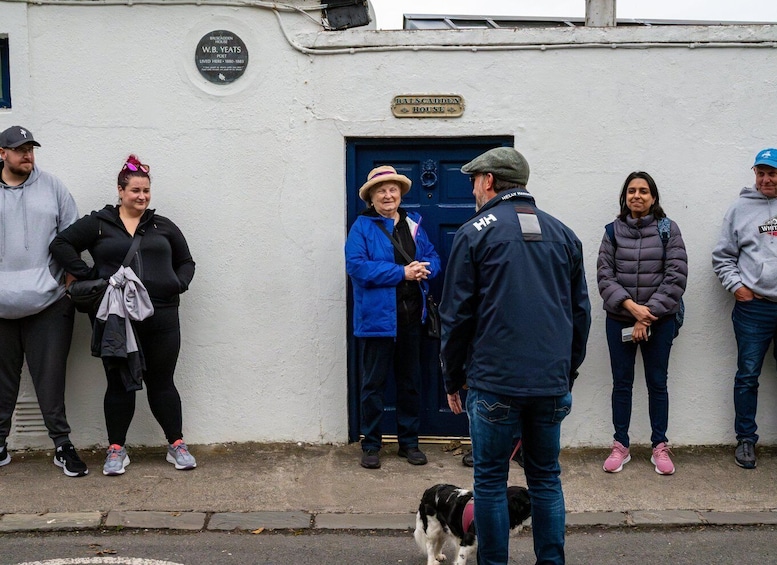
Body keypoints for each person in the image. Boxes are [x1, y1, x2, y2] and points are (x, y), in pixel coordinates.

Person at [440, 147, 591, 565]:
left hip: (494, 382)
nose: (472, 188)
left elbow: (455, 316)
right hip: (550, 382)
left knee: (489, 483)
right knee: (546, 479)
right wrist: (568, 371)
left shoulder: (474, 232)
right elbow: (581, 315)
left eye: (474, 180)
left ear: (489, 181)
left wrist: (452, 378)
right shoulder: (564, 233)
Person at [50, 154, 196, 476]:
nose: (141, 196)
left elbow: (187, 262)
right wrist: (87, 274)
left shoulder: (163, 226)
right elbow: (62, 244)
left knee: (162, 382)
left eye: (146, 191)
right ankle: (116, 449)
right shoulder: (100, 224)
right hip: (116, 318)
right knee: (119, 384)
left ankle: (176, 444)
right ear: (120, 191)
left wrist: (177, 284)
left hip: (162, 317)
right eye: (135, 191)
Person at [0, 125, 88, 477]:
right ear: (2, 153)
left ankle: (62, 445)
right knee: (2, 379)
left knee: (50, 378)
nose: (28, 155)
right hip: (1, 305)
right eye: (20, 149)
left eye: (31, 149)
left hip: (49, 303)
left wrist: (68, 283)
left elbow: (73, 236)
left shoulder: (53, 187)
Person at [345, 165, 441, 470]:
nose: (388, 195)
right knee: (373, 384)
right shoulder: (362, 227)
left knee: (410, 382)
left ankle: (409, 443)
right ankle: (371, 444)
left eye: (392, 190)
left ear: (400, 194)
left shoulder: (413, 224)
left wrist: (425, 269)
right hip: (377, 321)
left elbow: (434, 258)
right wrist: (402, 272)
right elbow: (357, 267)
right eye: (381, 191)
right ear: (371, 198)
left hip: (412, 318)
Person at [597, 171, 688, 476]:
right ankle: (620, 445)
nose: (637, 196)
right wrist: (632, 309)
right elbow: (604, 276)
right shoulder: (612, 232)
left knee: (657, 384)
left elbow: (676, 276)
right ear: (625, 197)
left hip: (659, 322)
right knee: (622, 385)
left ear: (653, 197)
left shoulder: (668, 229)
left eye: (644, 191)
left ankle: (659, 446)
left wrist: (647, 315)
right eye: (632, 191)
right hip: (620, 319)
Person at [712, 148, 777, 470]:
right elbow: (722, 255)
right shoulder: (739, 209)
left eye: (772, 173)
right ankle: (746, 440)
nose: (766, 179)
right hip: (755, 309)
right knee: (748, 376)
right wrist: (738, 287)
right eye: (760, 173)